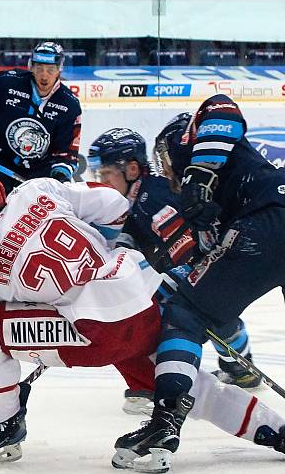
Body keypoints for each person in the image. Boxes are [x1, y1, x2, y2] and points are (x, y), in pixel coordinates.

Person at [0, 167, 285, 472]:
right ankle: (275, 431)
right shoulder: (35, 190)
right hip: (138, 294)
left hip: (96, 335)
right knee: (190, 385)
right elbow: (115, 204)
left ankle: (4, 422)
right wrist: (99, 256)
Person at [115, 94, 285, 472]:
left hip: (269, 221)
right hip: (263, 226)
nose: (168, 172)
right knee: (196, 302)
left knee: (185, 314)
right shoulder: (205, 207)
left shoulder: (197, 151)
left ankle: (165, 422)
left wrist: (199, 173)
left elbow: (222, 106)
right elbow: (197, 261)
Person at [87, 128, 262, 416]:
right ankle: (154, 379)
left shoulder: (154, 197)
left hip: (213, 263)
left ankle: (240, 368)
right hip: (187, 268)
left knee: (207, 317)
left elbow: (191, 250)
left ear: (131, 169)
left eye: (105, 174)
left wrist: (166, 278)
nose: (100, 181)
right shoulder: (130, 198)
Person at [0, 41, 82, 305]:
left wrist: (57, 179)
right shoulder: (7, 82)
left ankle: (11, 277)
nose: (44, 75)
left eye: (50, 68)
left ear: (59, 70)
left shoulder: (69, 105)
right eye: (39, 67)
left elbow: (67, 153)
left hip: (33, 180)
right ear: (32, 66)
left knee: (25, 232)